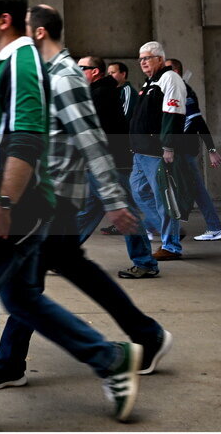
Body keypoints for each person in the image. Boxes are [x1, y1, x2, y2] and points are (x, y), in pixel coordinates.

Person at [0, 0, 142, 429]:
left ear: (5, 20)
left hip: (16, 210)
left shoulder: (26, 65)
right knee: (20, 298)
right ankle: (111, 358)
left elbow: (28, 138)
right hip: (14, 205)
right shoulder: (0, 67)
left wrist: (3, 203)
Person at [0, 13, 170, 401]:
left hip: (54, 203)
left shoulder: (66, 77)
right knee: (57, 279)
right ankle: (145, 334)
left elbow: (91, 141)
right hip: (48, 202)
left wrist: (114, 199)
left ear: (39, 32)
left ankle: (11, 364)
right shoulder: (47, 74)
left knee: (24, 289)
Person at [74, 55, 161, 278]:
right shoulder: (98, 92)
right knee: (87, 212)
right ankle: (61, 255)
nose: (76, 71)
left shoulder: (101, 93)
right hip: (101, 163)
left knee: (124, 213)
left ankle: (145, 263)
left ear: (95, 71)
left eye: (81, 68)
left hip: (111, 164)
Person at [128, 41, 187, 261]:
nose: (143, 62)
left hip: (156, 152)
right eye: (141, 59)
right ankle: (172, 231)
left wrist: (168, 146)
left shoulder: (169, 79)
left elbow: (173, 114)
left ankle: (171, 246)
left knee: (165, 199)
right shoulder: (151, 81)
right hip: (140, 152)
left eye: (147, 58)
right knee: (139, 192)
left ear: (160, 59)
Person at [166, 58, 221, 241]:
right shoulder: (171, 90)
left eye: (167, 69)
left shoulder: (184, 92)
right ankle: (156, 226)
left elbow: (198, 121)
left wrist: (211, 150)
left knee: (196, 189)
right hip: (174, 150)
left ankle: (215, 227)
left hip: (183, 150)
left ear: (175, 71)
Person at [100, 61, 137, 237]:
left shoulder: (127, 92)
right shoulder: (111, 91)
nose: (110, 75)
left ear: (123, 74)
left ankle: (153, 224)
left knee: (125, 187)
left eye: (113, 72)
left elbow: (125, 117)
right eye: (109, 72)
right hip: (113, 148)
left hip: (123, 147)